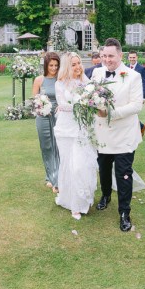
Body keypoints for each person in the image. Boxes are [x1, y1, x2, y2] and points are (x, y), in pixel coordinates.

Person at [92, 38, 144, 232]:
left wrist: (111, 114)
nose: (107, 60)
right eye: (104, 55)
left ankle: (124, 212)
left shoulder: (133, 76)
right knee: (103, 169)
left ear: (120, 55)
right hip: (102, 133)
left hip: (124, 135)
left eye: (111, 56)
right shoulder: (97, 73)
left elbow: (137, 105)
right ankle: (105, 195)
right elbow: (90, 95)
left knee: (123, 173)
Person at [53, 52, 97, 220]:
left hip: (82, 129)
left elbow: (94, 98)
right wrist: (81, 104)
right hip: (65, 130)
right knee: (68, 165)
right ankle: (71, 202)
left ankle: (81, 201)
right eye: (74, 64)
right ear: (67, 66)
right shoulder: (60, 84)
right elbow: (62, 105)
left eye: (79, 63)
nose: (78, 67)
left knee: (81, 165)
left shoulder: (86, 82)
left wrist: (88, 103)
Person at [32, 52, 60, 192]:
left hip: (59, 117)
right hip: (43, 117)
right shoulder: (39, 80)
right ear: (46, 65)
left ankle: (58, 177)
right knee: (46, 147)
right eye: (51, 65)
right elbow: (35, 101)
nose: (54, 68)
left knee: (58, 147)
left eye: (56, 65)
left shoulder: (61, 79)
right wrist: (41, 109)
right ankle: (50, 176)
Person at [127, 51, 145, 136]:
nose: (132, 59)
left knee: (132, 113)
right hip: (127, 94)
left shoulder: (141, 69)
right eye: (130, 57)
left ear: (137, 58)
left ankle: (139, 128)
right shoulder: (126, 67)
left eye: (133, 57)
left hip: (137, 95)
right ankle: (141, 126)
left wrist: (143, 97)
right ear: (128, 58)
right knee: (129, 114)